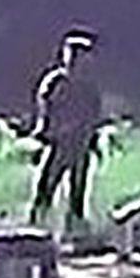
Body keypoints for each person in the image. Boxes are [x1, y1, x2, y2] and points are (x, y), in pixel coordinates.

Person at [29, 30, 105, 230]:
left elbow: (94, 115)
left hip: (80, 143)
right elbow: (46, 108)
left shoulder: (89, 87)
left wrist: (93, 139)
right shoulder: (57, 82)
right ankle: (36, 226)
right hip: (60, 142)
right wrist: (46, 132)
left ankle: (75, 228)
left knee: (77, 192)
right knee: (46, 188)